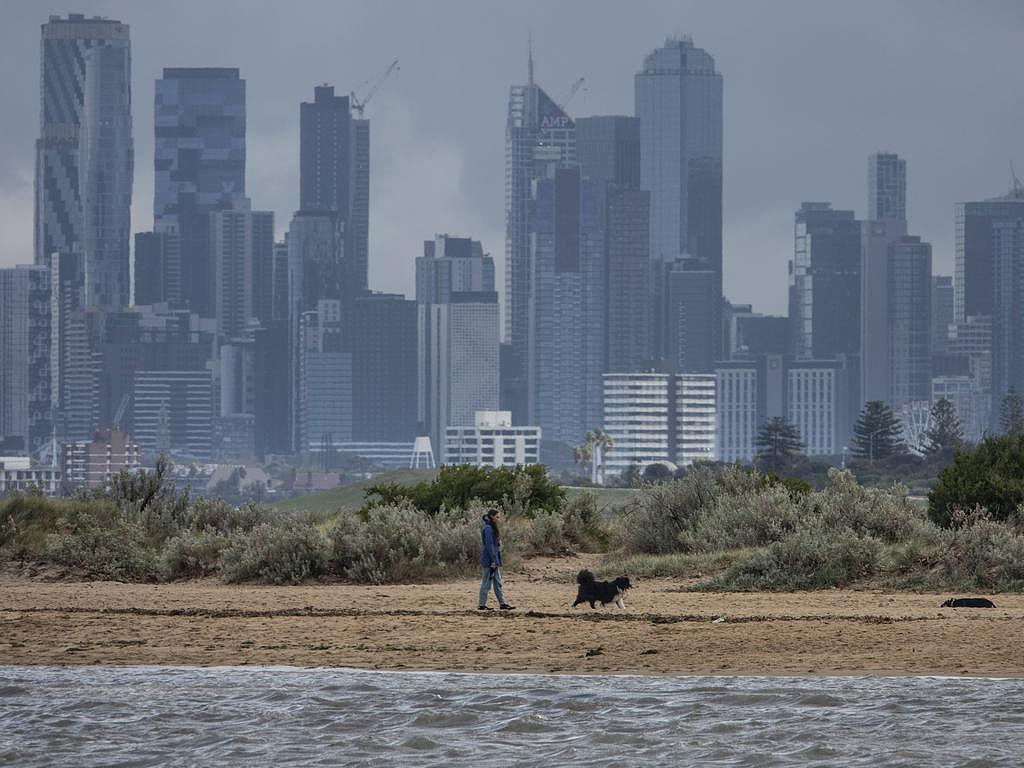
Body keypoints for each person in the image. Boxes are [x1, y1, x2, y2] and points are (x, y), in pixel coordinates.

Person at [479, 508, 513, 610]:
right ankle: (482, 605)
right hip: (489, 560)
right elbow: (489, 546)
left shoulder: (491, 528)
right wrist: (493, 560)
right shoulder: (488, 528)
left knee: (497, 582)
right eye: (497, 517)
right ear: (492, 517)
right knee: (486, 583)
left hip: (494, 559)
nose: (499, 519)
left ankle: (502, 603)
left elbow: (494, 545)